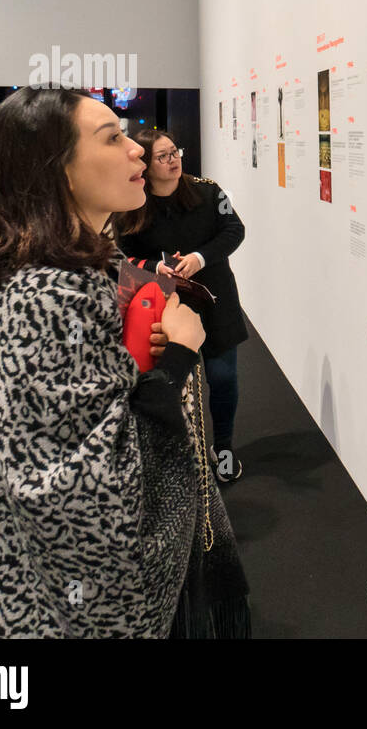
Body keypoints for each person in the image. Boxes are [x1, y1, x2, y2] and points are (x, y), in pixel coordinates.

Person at [0, 85, 250, 638]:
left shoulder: (62, 263)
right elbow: (78, 497)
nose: (138, 152)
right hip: (45, 614)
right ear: (55, 172)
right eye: (114, 138)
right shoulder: (44, 293)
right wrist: (175, 356)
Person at [113, 130, 250, 483]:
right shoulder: (132, 202)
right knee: (173, 384)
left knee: (223, 378)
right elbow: (122, 255)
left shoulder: (210, 191)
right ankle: (178, 456)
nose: (173, 160)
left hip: (215, 297)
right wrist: (153, 268)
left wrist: (201, 258)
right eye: (162, 156)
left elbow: (235, 230)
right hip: (165, 306)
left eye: (175, 151)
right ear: (145, 162)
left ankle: (223, 450)